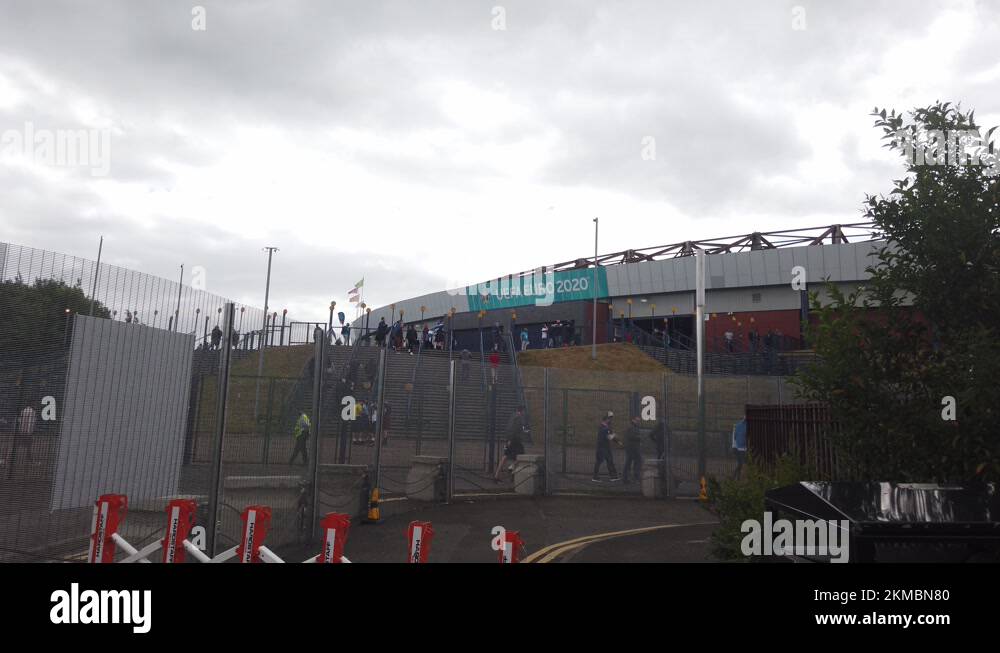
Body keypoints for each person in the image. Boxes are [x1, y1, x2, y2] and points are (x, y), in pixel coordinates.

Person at [494, 405, 528, 482]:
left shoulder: (513, 416)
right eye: (524, 411)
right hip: (515, 440)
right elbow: (514, 429)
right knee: (521, 457)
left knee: (505, 457)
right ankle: (511, 468)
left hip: (511, 440)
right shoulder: (518, 418)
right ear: (522, 411)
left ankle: (497, 476)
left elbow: (509, 428)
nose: (525, 413)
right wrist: (510, 439)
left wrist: (508, 439)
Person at [5, 403, 37, 478]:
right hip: (26, 432)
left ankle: (8, 459)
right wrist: (29, 432)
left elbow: (19, 420)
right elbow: (30, 423)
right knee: (23, 446)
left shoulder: (24, 410)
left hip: (20, 431)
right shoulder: (32, 411)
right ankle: (8, 459)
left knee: (19, 445)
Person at [592, 411, 621, 482]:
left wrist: (617, 440)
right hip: (602, 448)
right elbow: (609, 436)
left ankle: (613, 476)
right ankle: (596, 477)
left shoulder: (606, 427)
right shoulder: (604, 428)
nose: (610, 420)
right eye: (609, 419)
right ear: (606, 419)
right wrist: (615, 437)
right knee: (600, 462)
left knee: (609, 461)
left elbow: (610, 435)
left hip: (605, 448)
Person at [622, 416, 643, 483]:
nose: (638, 421)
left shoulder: (634, 427)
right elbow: (631, 436)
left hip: (633, 448)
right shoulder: (631, 427)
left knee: (634, 462)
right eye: (637, 420)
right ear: (633, 420)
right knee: (632, 462)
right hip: (632, 448)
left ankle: (631, 477)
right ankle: (629, 478)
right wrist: (639, 437)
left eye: (639, 420)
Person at [732, 415, 748, 480]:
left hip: (738, 447)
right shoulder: (740, 426)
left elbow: (735, 437)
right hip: (741, 448)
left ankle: (736, 477)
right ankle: (735, 476)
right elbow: (736, 437)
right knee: (741, 463)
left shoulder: (737, 425)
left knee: (740, 464)